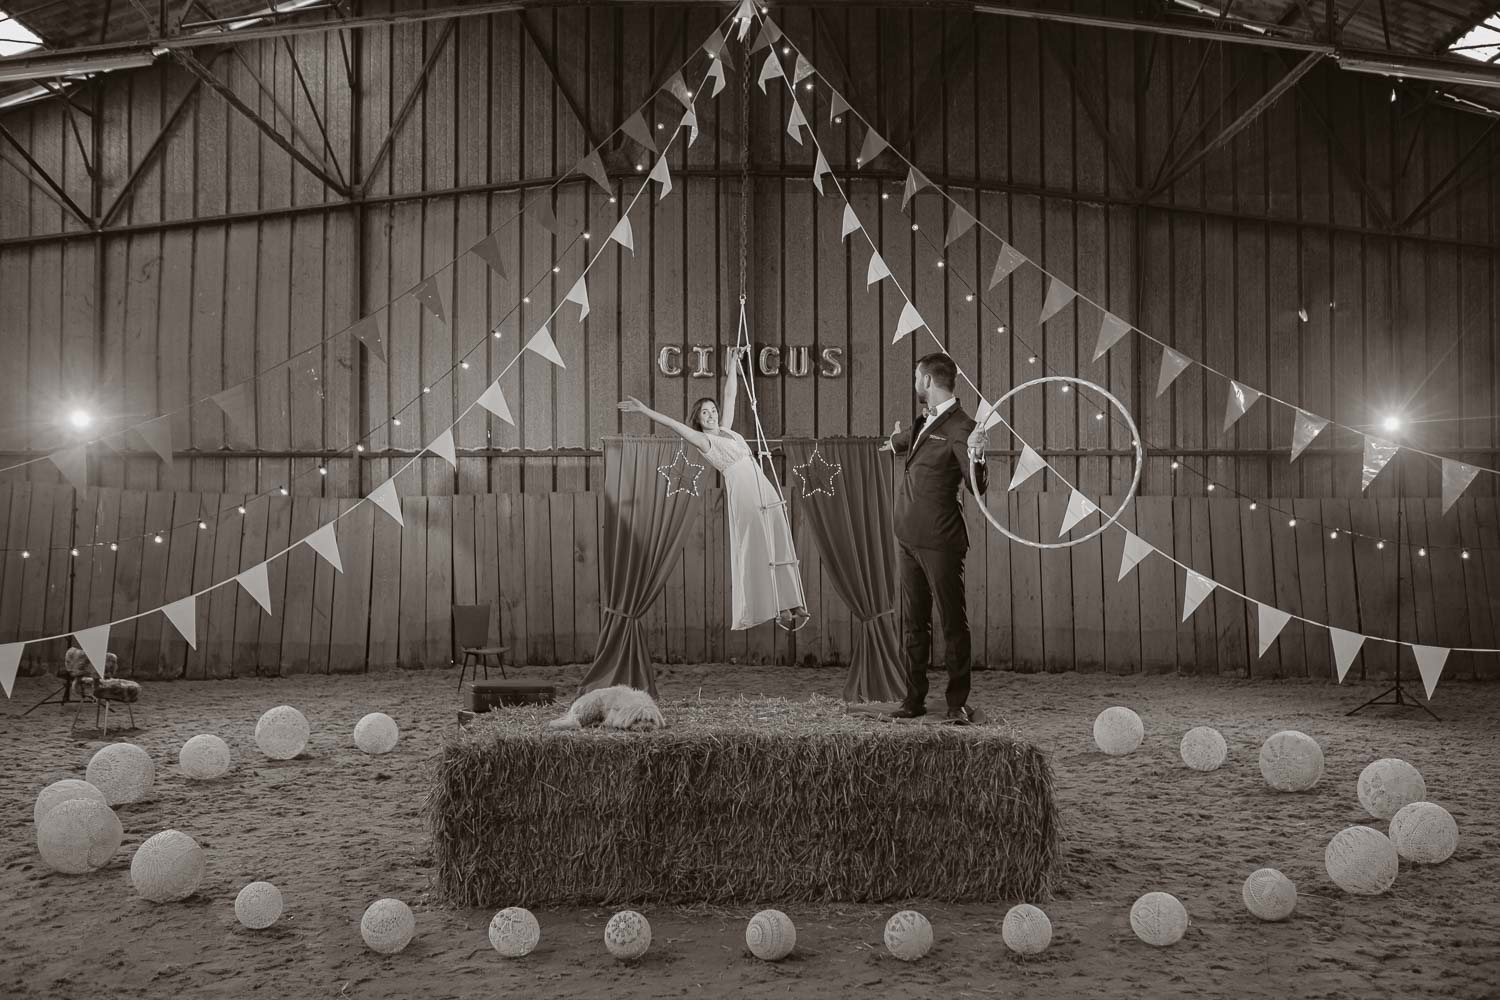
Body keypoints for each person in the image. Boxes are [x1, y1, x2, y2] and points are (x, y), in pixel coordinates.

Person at [618, 350, 810, 631]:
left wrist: (733, 364)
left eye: (713, 410)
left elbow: (730, 395)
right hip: (743, 489)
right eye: (705, 412)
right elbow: (672, 424)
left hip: (760, 483)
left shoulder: (728, 431)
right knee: (757, 545)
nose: (711, 415)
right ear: (698, 418)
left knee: (778, 537)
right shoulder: (703, 440)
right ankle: (777, 608)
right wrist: (644, 410)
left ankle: (793, 602)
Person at [879, 352, 989, 723]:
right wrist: (894, 441)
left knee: (952, 622)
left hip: (940, 540)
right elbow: (910, 441)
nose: (915, 383)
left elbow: (978, 488)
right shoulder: (927, 422)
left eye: (915, 377)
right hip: (907, 537)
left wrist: (978, 455)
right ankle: (914, 700)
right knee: (913, 621)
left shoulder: (963, 427)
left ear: (927, 381)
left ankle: (957, 703)